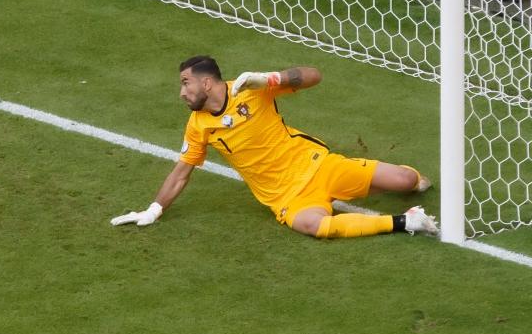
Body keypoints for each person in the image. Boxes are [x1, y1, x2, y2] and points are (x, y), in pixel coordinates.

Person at [111, 55, 439, 239]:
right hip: (287, 198)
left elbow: (314, 76)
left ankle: (407, 184)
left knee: (409, 183)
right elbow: (182, 172)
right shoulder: (198, 125)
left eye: (185, 83)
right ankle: (404, 222)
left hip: (318, 165)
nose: (181, 92)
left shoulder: (250, 90)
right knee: (316, 227)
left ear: (206, 82)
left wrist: (272, 78)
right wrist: (154, 210)